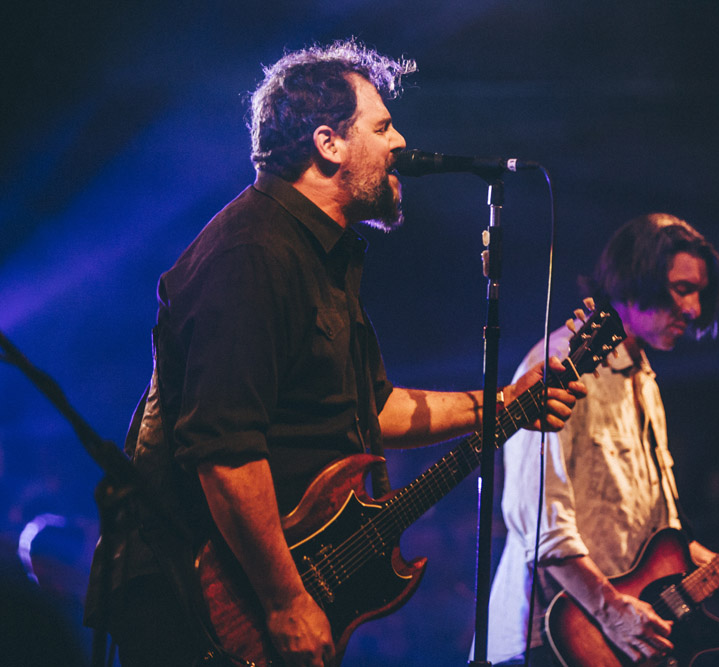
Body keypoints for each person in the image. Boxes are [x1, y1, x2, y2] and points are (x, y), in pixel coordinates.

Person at [83, 39, 585, 667]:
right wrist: (285, 600)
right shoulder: (251, 255)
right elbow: (225, 451)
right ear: (329, 143)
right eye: (382, 127)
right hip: (196, 601)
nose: (400, 142)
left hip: (263, 593)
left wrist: (507, 403)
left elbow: (373, 410)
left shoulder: (322, 255)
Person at [484, 213, 719, 665]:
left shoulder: (645, 381)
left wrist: (714, 566)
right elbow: (537, 522)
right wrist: (612, 610)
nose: (694, 309)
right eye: (681, 289)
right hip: (545, 641)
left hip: (613, 638)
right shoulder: (562, 363)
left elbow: (647, 541)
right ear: (632, 280)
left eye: (699, 293)